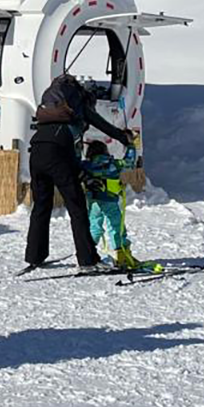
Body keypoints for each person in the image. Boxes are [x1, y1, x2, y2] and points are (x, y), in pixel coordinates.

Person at [25, 70, 134, 272]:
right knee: (77, 207)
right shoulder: (80, 104)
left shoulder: (52, 105)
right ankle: (87, 260)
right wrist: (123, 137)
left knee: (41, 206)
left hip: (37, 150)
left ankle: (35, 256)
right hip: (58, 152)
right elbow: (101, 125)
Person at [80, 139, 144, 271]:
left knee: (94, 227)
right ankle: (120, 255)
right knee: (116, 227)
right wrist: (130, 145)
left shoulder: (86, 165)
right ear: (105, 151)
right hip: (110, 200)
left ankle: (87, 255)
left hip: (94, 202)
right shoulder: (113, 163)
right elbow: (129, 162)